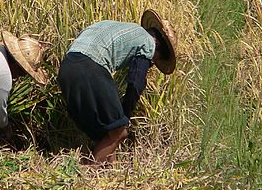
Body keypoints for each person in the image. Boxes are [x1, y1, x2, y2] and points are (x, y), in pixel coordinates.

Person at [58, 9, 177, 165]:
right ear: (158, 46)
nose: (152, 64)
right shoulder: (148, 43)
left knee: (107, 133)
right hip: (90, 69)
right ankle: (88, 178)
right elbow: (136, 82)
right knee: (119, 132)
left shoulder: (113, 26)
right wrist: (125, 114)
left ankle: (111, 172)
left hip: (67, 69)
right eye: (155, 60)